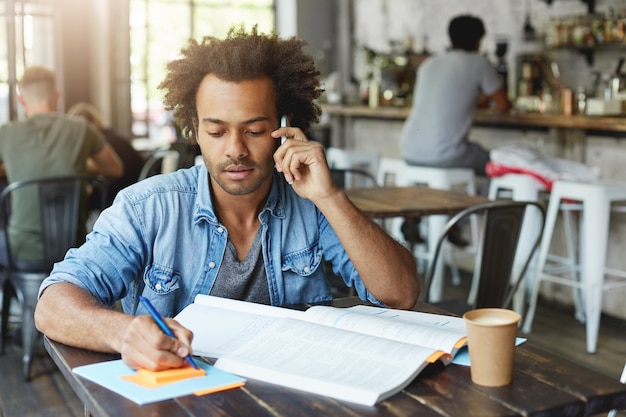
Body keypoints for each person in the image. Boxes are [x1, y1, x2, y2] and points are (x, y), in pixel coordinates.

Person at [35, 27, 419, 372]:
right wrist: (124, 333)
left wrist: (331, 197)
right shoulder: (146, 207)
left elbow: (399, 295)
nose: (235, 149)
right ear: (195, 130)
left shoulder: (312, 205)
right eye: (216, 132)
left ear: (283, 127)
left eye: (254, 130)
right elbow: (53, 305)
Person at [398, 15, 511, 246]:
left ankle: (414, 216)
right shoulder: (478, 62)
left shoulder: (430, 64)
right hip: (445, 153)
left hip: (409, 148)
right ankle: (456, 223)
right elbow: (504, 104)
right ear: (478, 40)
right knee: (498, 167)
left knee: (434, 169)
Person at [0, 66, 123, 265]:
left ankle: (13, 294)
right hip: (73, 247)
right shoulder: (81, 128)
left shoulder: (6, 133)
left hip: (23, 251)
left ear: (22, 100)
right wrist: (79, 167)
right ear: (57, 97)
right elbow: (115, 168)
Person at [67, 102, 145, 206]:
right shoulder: (109, 135)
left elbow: (114, 171)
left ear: (93, 123)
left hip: (128, 188)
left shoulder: (106, 141)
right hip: (134, 184)